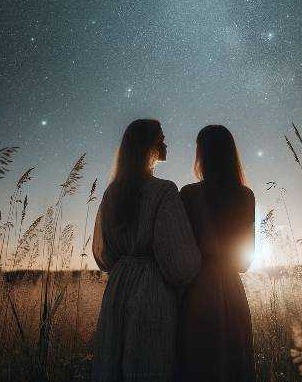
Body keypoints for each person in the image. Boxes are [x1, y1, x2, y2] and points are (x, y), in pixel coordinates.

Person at [91, 119, 201, 382]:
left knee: (113, 363)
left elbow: (104, 256)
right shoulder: (164, 190)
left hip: (117, 290)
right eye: (160, 139)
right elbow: (179, 264)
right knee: (148, 362)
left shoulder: (112, 193)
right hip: (151, 291)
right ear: (146, 147)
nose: (165, 144)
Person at [177, 124, 256, 382]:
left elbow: (182, 250)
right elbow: (245, 263)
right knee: (234, 363)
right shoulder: (245, 196)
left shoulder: (188, 194)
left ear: (202, 154)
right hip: (233, 292)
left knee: (198, 365)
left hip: (197, 291)